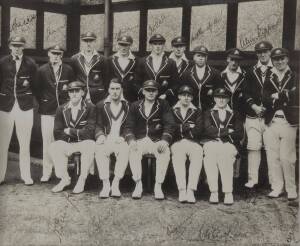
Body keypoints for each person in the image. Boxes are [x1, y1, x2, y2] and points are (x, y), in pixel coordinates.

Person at [123, 80, 175, 199]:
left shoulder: (163, 104)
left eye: (153, 90)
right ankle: (138, 184)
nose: (150, 93)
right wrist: (131, 140)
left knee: (164, 152)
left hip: (156, 140)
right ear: (143, 91)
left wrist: (165, 140)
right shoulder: (135, 105)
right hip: (140, 140)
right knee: (133, 151)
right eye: (148, 90)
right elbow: (128, 126)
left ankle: (158, 185)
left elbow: (170, 124)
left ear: (157, 92)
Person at [0, 36, 38, 185]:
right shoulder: (2, 62)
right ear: (10, 46)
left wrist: (28, 98)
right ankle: (1, 175)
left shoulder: (31, 63)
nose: (17, 48)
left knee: (24, 143)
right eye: (14, 45)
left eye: (20, 45)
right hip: (5, 106)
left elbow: (35, 85)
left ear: (24, 47)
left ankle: (26, 175)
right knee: (2, 143)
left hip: (25, 107)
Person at [263, 48, 299, 200]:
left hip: (289, 121)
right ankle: (277, 187)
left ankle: (291, 189)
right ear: (273, 61)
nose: (279, 61)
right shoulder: (269, 77)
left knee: (287, 157)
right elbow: (264, 98)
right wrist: (285, 96)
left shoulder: (295, 76)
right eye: (276, 59)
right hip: (271, 121)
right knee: (273, 156)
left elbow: (297, 94)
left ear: (287, 59)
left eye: (282, 58)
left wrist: (280, 95)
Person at [35, 44, 75, 182]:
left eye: (58, 54)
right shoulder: (42, 70)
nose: (56, 56)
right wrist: (45, 101)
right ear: (48, 54)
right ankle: (46, 172)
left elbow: (71, 88)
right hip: (47, 111)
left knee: (62, 141)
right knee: (47, 142)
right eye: (53, 53)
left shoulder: (68, 70)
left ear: (62, 55)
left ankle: (61, 172)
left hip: (64, 112)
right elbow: (37, 90)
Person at [49, 81, 96, 193]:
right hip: (68, 142)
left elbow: (90, 132)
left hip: (84, 143)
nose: (74, 94)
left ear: (82, 93)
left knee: (90, 145)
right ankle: (65, 179)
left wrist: (70, 130)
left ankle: (82, 180)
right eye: (71, 91)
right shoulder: (61, 108)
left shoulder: (90, 108)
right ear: (68, 94)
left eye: (77, 91)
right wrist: (78, 133)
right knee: (54, 146)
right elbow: (57, 132)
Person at [203, 88, 244, 205]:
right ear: (214, 98)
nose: (221, 100)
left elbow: (239, 133)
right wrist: (228, 130)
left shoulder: (235, 113)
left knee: (225, 155)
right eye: (218, 97)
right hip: (211, 142)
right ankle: (214, 192)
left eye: (224, 97)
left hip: (229, 143)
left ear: (228, 99)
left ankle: (228, 192)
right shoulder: (208, 112)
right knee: (210, 156)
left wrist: (220, 133)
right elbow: (207, 130)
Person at [243, 41, 273, 189]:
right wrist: (254, 106)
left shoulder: (276, 70)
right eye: (260, 52)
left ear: (270, 52)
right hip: (253, 116)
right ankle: (252, 179)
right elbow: (245, 92)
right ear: (257, 54)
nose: (263, 54)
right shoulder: (250, 71)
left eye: (265, 51)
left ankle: (273, 181)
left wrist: (267, 108)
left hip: (270, 117)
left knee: (271, 148)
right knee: (253, 147)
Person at [95, 78, 130, 198]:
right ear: (108, 90)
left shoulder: (127, 105)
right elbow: (98, 125)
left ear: (122, 90)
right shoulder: (101, 105)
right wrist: (100, 136)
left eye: (117, 89)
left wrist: (123, 136)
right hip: (107, 137)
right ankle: (105, 184)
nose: (115, 92)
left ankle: (116, 183)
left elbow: (129, 126)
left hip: (120, 139)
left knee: (125, 150)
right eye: (112, 89)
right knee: (100, 150)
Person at [171, 85, 203, 203]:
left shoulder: (197, 111)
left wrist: (180, 128)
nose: (186, 98)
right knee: (178, 156)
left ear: (192, 98)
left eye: (189, 96)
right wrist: (189, 126)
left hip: (193, 141)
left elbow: (199, 130)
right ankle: (182, 190)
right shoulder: (172, 109)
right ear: (179, 96)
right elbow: (171, 128)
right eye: (183, 95)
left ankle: (191, 190)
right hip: (177, 141)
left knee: (198, 153)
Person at [136, 34, 179, 105]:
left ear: (164, 46)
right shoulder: (142, 61)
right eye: (155, 44)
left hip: (164, 101)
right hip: (145, 101)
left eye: (160, 44)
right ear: (151, 46)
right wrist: (144, 94)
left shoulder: (171, 63)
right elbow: (136, 83)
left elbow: (176, 84)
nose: (158, 46)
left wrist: (166, 95)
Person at [70, 32, 107, 104]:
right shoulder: (74, 59)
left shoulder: (102, 59)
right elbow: (72, 78)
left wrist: (102, 91)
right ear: (82, 42)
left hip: (98, 95)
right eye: (85, 41)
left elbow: (106, 79)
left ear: (95, 42)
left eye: (91, 41)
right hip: (81, 94)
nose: (88, 44)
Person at [181, 45, 221, 111]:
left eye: (203, 56)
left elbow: (219, 92)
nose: (201, 58)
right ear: (194, 57)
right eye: (198, 56)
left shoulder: (215, 73)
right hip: (191, 109)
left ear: (206, 58)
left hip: (209, 109)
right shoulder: (187, 74)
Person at [106, 35, 139, 102]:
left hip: (131, 97)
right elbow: (106, 79)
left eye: (126, 45)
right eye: (121, 44)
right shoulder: (110, 59)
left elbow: (137, 81)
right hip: (113, 96)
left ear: (130, 45)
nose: (123, 48)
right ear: (117, 45)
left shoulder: (137, 60)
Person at [220, 48, 247, 118]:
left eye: (237, 60)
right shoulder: (221, 75)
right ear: (227, 59)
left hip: (241, 114)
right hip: (224, 113)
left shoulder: (245, 75)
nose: (234, 63)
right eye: (232, 59)